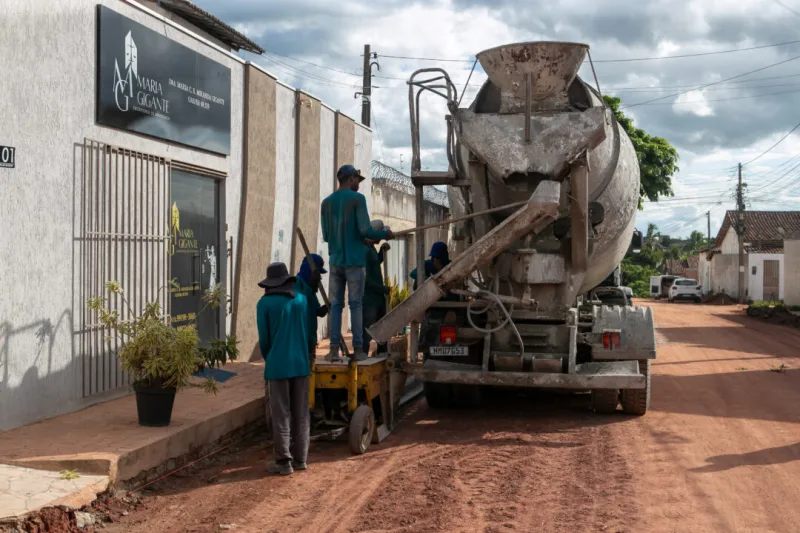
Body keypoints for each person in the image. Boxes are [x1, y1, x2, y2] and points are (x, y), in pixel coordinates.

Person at [320, 164, 393, 362]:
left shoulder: (326, 203)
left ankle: (333, 350)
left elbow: (326, 236)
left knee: (336, 305)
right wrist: (384, 234)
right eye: (357, 180)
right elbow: (365, 230)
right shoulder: (357, 199)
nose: (358, 184)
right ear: (351, 178)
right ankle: (358, 349)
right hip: (354, 262)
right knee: (356, 304)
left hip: (335, 261)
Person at [257, 262, 311, 476]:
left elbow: (264, 341)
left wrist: (270, 357)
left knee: (281, 414)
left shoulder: (264, 304)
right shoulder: (301, 300)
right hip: (301, 363)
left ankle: (283, 461)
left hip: (278, 366)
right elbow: (305, 332)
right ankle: (301, 459)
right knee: (301, 414)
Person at [363, 220, 391, 356]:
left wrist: (381, 253)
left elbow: (375, 264)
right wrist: (382, 289)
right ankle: (362, 354)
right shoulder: (365, 250)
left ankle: (382, 352)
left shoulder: (372, 249)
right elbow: (366, 279)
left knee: (383, 326)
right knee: (368, 329)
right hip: (370, 299)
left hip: (378, 298)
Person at [295, 254, 329, 359]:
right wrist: (311, 284)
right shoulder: (297, 284)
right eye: (318, 273)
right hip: (299, 339)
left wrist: (326, 308)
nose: (320, 277)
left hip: (310, 338)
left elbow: (316, 311)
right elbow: (300, 304)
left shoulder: (311, 289)